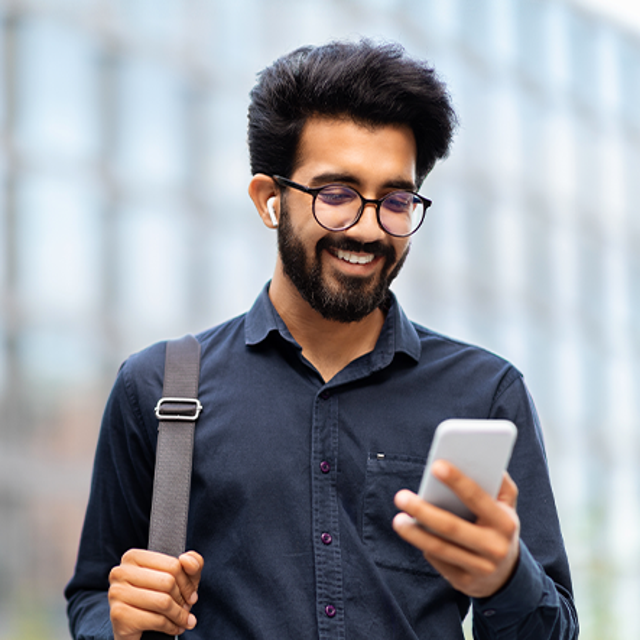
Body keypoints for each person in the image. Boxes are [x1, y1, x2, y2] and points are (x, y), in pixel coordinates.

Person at [65, 40, 579, 639]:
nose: (367, 228)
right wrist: (117, 621)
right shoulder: (157, 388)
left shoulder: (485, 394)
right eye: (335, 195)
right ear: (270, 200)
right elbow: (93, 599)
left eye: (395, 199)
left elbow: (556, 627)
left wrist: (505, 578)